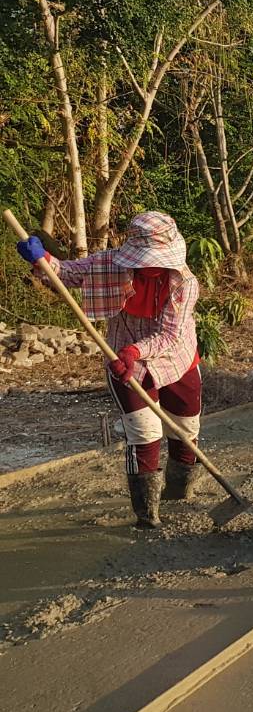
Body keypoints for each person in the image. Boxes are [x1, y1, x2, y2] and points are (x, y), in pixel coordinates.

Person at [16, 212, 202, 529]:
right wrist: (42, 259)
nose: (152, 266)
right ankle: (148, 516)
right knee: (144, 435)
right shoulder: (111, 264)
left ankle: (179, 493)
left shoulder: (183, 282)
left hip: (175, 357)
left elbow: (170, 335)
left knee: (184, 431)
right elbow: (67, 274)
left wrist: (134, 351)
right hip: (123, 361)